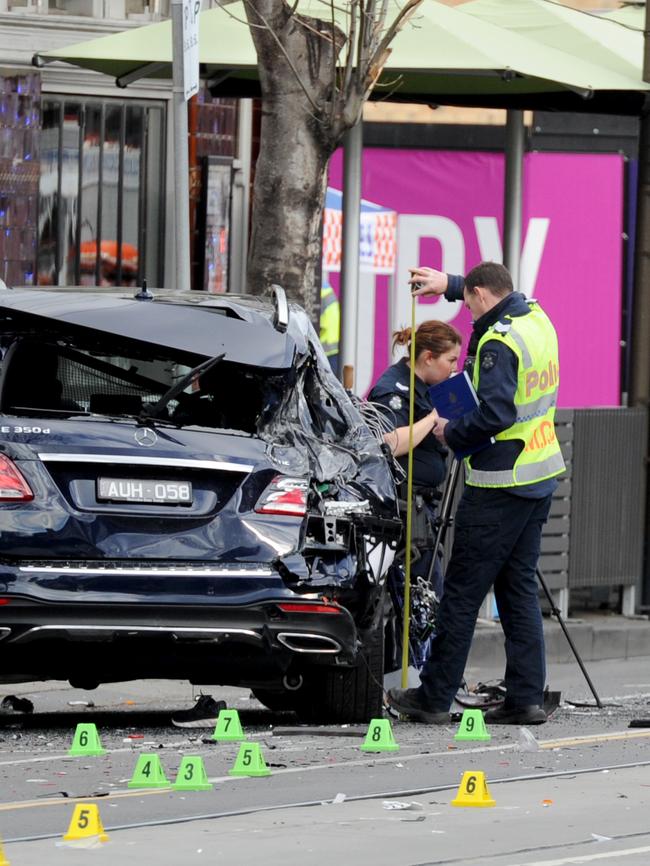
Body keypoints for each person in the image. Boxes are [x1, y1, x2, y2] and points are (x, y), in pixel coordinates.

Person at [387, 261, 565, 726]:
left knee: (462, 593)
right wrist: (448, 285)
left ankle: (433, 699)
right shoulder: (535, 318)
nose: (467, 312)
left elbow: (497, 412)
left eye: (468, 302)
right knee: (518, 587)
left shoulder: (499, 342)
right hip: (539, 473)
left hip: (500, 482)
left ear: (484, 296)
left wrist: (453, 432)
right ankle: (525, 698)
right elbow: (489, 290)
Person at [368, 320, 462, 603]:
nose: (454, 368)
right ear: (428, 357)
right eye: (451, 360)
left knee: (428, 596)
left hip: (426, 508)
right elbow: (389, 443)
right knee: (418, 598)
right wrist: (433, 417)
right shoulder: (393, 389)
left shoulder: (429, 386)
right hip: (406, 510)